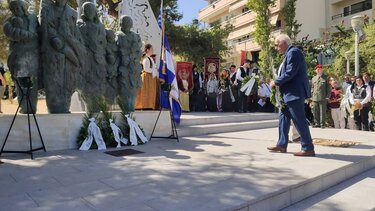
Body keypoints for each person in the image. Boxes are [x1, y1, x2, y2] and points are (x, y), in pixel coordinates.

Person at [268, 34, 315, 157]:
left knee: (299, 121)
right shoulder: (288, 54)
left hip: (294, 93)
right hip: (287, 94)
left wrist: (276, 82)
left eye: (277, 45)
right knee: (283, 119)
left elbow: (290, 72)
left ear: (284, 43)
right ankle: (282, 144)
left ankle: (308, 148)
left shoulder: (293, 52)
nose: (276, 48)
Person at [39, 0, 84, 113]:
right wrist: (54, 38)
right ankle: (54, 108)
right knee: (53, 81)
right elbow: (45, 27)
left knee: (68, 81)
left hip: (68, 49)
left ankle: (64, 107)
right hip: (52, 52)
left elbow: (75, 32)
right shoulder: (47, 9)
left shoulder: (72, 12)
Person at [3, 0, 40, 114]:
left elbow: (39, 33)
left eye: (17, 8)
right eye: (13, 10)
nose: (15, 11)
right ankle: (24, 106)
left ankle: (32, 106)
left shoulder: (33, 18)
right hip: (18, 56)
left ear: (23, 8)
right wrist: (27, 35)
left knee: (33, 82)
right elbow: (10, 32)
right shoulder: (9, 22)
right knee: (20, 82)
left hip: (33, 55)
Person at [77, 2, 107, 112]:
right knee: (86, 86)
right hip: (85, 59)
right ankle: (89, 111)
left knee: (98, 84)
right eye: (87, 10)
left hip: (97, 59)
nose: (89, 13)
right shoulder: (79, 25)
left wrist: (97, 45)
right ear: (83, 12)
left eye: (91, 10)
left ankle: (97, 109)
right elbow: (77, 41)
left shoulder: (100, 26)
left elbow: (104, 42)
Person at [116, 15, 143, 111]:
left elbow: (140, 50)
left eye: (128, 22)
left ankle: (131, 111)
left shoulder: (136, 36)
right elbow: (117, 50)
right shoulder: (119, 35)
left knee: (133, 91)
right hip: (124, 67)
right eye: (125, 22)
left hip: (134, 68)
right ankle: (126, 112)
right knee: (124, 89)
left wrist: (136, 53)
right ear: (121, 24)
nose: (127, 24)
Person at [135, 44, 159, 110]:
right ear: (148, 50)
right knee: (145, 91)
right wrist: (154, 70)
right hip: (146, 77)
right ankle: (145, 105)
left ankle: (150, 105)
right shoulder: (146, 59)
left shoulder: (149, 58)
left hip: (150, 77)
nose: (152, 50)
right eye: (151, 49)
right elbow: (146, 69)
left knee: (150, 91)